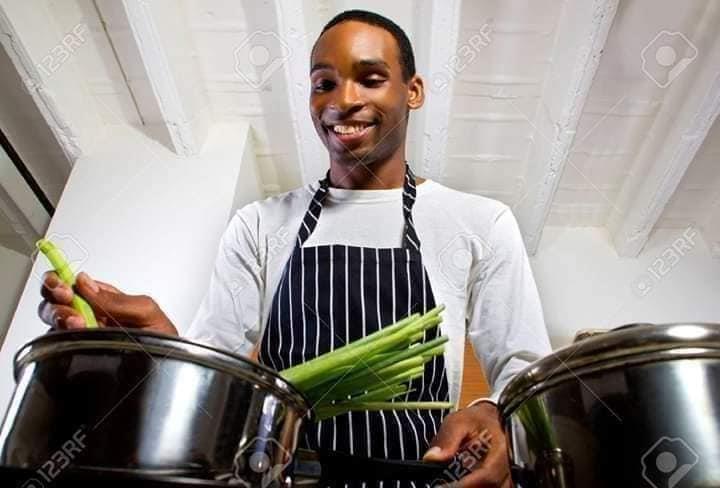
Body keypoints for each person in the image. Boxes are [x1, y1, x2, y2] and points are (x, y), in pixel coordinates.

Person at [38, 9, 551, 487]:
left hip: (417, 475)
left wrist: (490, 411)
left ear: (413, 91)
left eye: (370, 78)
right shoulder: (259, 225)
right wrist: (155, 354)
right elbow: (217, 375)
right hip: (276, 476)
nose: (342, 100)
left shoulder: (480, 224)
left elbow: (525, 373)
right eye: (323, 83)